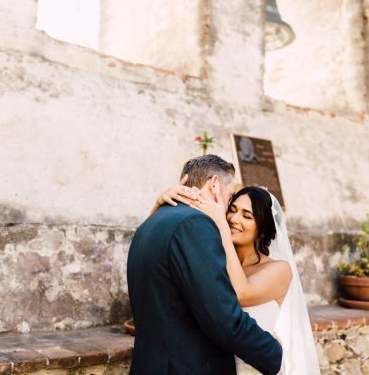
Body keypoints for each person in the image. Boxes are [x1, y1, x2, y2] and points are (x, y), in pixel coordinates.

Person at [127, 154, 283, 375]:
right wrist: (274, 354)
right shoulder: (195, 224)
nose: (228, 209)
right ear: (214, 185)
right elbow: (222, 319)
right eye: (230, 197)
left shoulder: (150, 223)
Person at [154, 178, 321, 374]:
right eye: (232, 210)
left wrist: (221, 226)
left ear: (262, 227)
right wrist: (159, 207)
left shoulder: (280, 269)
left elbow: (241, 293)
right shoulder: (215, 261)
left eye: (247, 215)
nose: (234, 218)